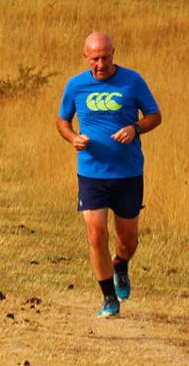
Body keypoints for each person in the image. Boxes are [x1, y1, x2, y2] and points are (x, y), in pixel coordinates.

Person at [53, 32, 161, 318]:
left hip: (128, 172)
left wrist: (134, 128)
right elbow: (62, 121)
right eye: (95, 59)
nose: (100, 64)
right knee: (96, 232)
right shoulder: (76, 85)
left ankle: (121, 264)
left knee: (128, 240)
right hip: (91, 171)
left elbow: (155, 116)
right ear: (85, 57)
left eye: (105, 57)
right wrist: (73, 138)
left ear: (114, 53)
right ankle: (109, 298)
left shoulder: (132, 81)